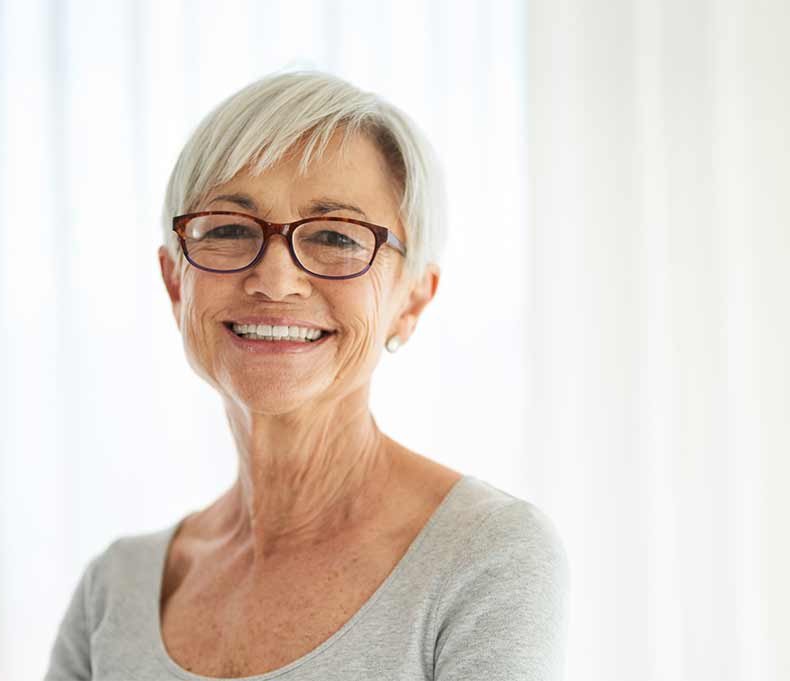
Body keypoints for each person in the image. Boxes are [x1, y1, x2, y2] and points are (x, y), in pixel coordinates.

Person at [44, 70, 569, 681]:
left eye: (336, 238)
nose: (275, 280)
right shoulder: (115, 589)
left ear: (411, 301)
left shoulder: (483, 554)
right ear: (174, 281)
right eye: (230, 230)